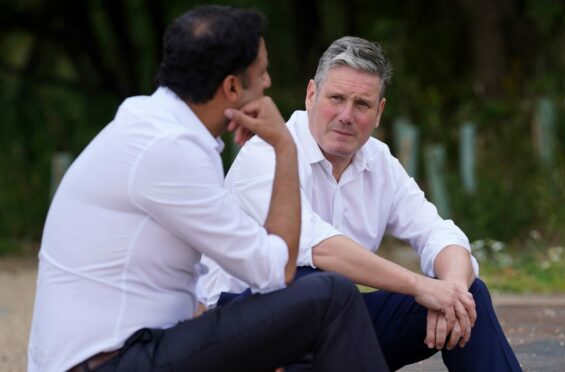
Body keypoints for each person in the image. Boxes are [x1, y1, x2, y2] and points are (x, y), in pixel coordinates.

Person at [27, 7, 389, 372]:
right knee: (330, 296)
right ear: (232, 87)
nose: (268, 83)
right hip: (112, 362)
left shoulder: (152, 124)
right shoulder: (170, 151)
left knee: (290, 326)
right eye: (261, 72)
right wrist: (284, 146)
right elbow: (273, 269)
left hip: (133, 348)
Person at [197, 36, 523, 371]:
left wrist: (452, 291)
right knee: (320, 285)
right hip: (240, 326)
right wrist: (421, 285)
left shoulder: (377, 160)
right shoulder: (268, 151)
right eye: (336, 98)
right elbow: (318, 248)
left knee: (471, 298)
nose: (346, 115)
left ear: (379, 111)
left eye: (362, 104)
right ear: (311, 95)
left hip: (328, 319)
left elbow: (438, 233)